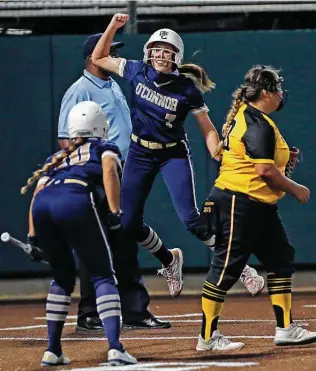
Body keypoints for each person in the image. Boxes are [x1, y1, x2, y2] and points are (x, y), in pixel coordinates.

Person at [91, 13, 265, 299]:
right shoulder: (136, 70)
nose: (160, 55)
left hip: (172, 154)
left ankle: (242, 267)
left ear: (176, 56)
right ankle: (169, 260)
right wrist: (113, 26)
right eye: (156, 49)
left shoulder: (186, 90)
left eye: (166, 51)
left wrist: (217, 150)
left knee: (190, 218)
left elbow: (208, 130)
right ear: (148, 52)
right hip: (140, 152)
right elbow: (99, 58)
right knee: (128, 222)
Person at [195, 65, 316, 352]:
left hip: (258, 203)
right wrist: (295, 187)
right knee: (226, 268)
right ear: (265, 92)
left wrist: (284, 160)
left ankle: (286, 328)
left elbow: (256, 159)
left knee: (280, 257)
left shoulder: (251, 118)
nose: (281, 95)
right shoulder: (256, 122)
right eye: (278, 89)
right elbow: (263, 170)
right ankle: (207, 337)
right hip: (240, 200)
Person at [57, 34, 170, 332]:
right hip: (99, 175)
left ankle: (134, 312)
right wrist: (89, 172)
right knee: (96, 243)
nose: (112, 55)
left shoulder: (112, 85)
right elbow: (65, 140)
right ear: (92, 56)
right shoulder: (79, 90)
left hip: (123, 174)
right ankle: (90, 312)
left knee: (125, 241)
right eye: (108, 50)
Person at [22, 101, 137, 366]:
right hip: (74, 200)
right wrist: (115, 212)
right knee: (102, 275)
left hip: (43, 208)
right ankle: (116, 348)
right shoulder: (104, 147)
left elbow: (37, 196)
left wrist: (32, 238)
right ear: (101, 126)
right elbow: (109, 169)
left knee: (62, 278)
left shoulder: (57, 158)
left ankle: (52, 350)